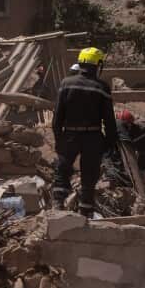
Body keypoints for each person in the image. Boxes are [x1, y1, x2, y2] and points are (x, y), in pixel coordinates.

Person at [52, 47, 118, 215]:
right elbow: (109, 120)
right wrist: (109, 143)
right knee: (89, 176)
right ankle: (85, 213)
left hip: (69, 135)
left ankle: (57, 206)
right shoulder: (101, 87)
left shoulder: (66, 83)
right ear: (98, 65)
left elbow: (57, 116)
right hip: (93, 137)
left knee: (62, 170)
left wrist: (59, 138)